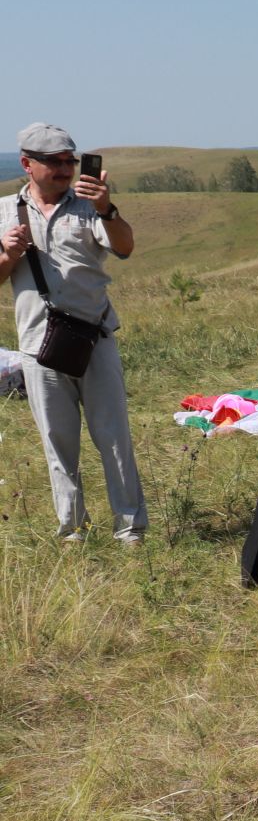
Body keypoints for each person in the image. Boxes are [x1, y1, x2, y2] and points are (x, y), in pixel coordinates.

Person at [0, 123, 146, 542]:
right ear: (28, 164)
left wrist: (108, 209)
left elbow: (125, 247)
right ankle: (73, 531)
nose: (65, 169)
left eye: (71, 161)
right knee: (58, 443)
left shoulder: (89, 205)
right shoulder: (6, 211)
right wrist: (8, 255)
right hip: (37, 346)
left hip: (93, 339)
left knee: (113, 438)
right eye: (55, 162)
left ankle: (130, 529)